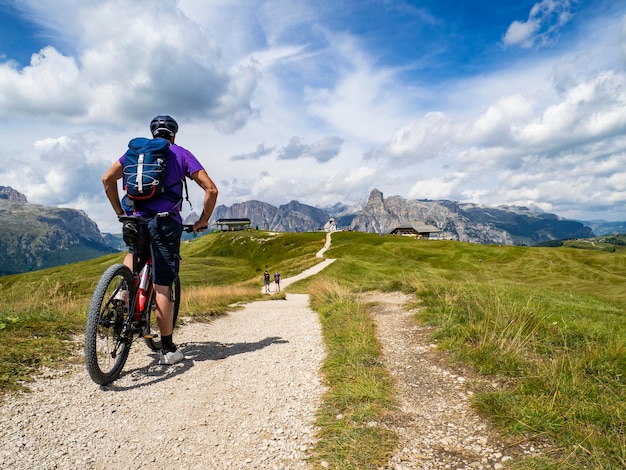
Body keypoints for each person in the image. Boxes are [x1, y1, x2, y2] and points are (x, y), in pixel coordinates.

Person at [102, 115, 218, 365]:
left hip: (135, 218)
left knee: (134, 252)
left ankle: (123, 291)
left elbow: (107, 179)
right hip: (165, 222)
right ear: (174, 135)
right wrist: (203, 220)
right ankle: (167, 349)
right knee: (163, 285)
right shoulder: (181, 153)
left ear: (153, 133)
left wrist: (119, 213)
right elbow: (211, 189)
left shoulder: (136, 152)